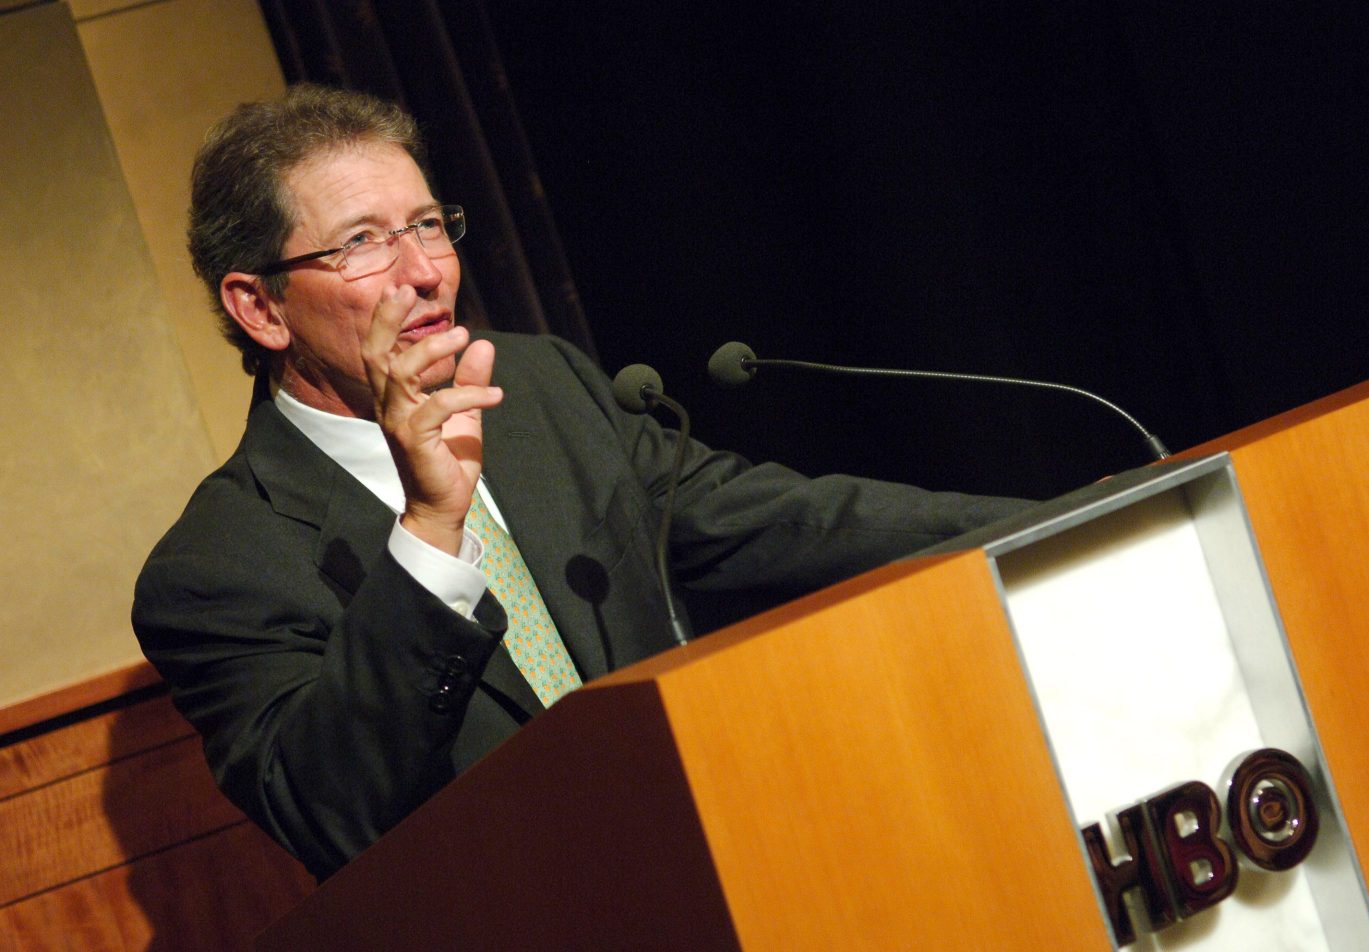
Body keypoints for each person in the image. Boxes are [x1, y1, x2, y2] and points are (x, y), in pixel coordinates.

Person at [132, 85, 1033, 880]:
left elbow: (784, 520)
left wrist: (1059, 521)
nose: (425, 272)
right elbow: (333, 810)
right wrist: (431, 527)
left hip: (738, 862)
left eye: (427, 225)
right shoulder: (217, 568)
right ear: (260, 307)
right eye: (363, 242)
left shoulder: (537, 388)